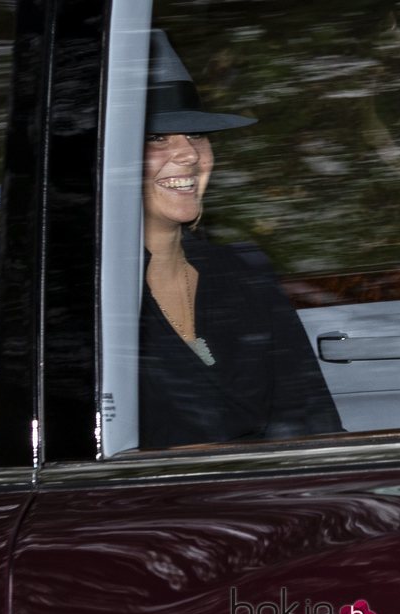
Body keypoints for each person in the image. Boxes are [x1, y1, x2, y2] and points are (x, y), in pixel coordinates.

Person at [139, 31, 343, 448]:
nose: (190, 154)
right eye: (157, 138)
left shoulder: (244, 272)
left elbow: (311, 420)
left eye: (196, 135)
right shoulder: (81, 296)